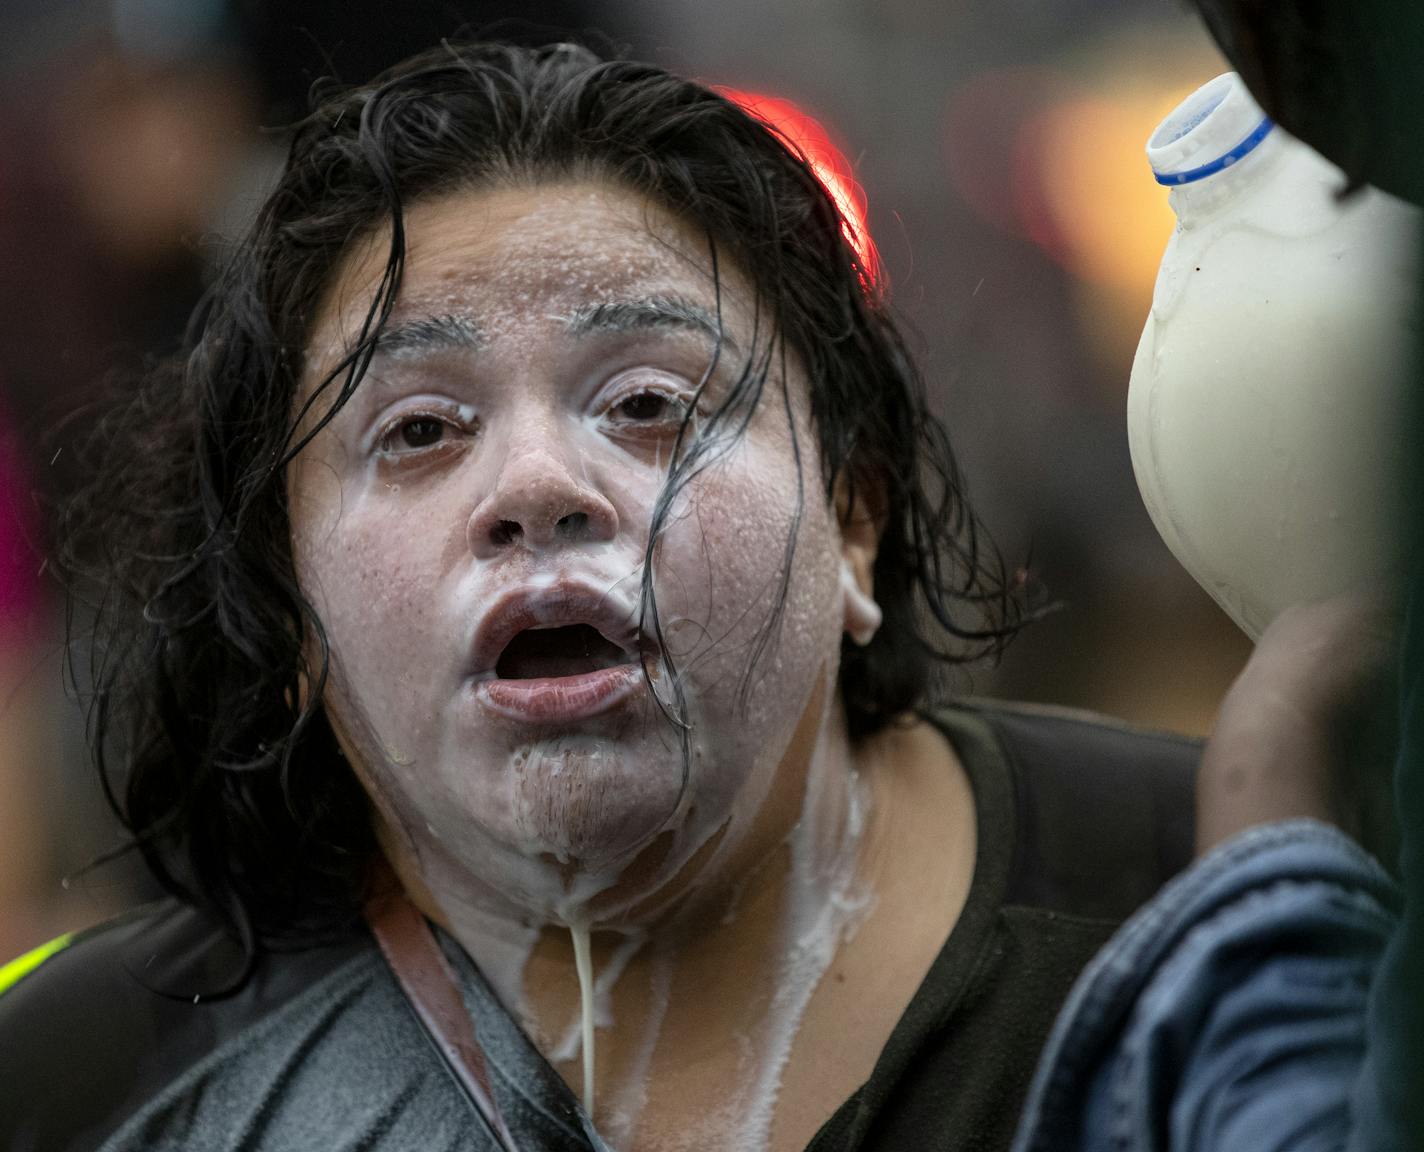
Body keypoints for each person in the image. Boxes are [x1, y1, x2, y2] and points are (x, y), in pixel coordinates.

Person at [0, 43, 1201, 1152]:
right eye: (419, 427)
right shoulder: (92, 1091)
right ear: (286, 600)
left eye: (645, 404)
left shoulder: (1225, 906)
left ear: (851, 519)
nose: (535, 487)